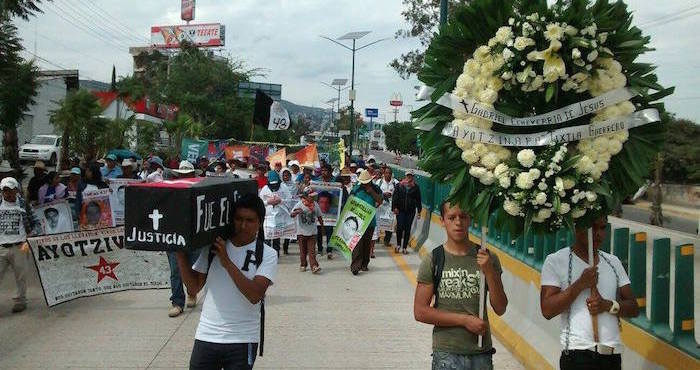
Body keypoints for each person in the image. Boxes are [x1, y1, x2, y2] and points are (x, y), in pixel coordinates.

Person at [176, 194, 277, 370]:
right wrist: (179, 253)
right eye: (238, 219)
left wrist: (227, 262)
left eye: (250, 220)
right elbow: (193, 288)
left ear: (260, 222)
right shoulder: (213, 247)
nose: (243, 225)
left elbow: (254, 295)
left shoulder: (267, 254)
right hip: (207, 335)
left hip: (243, 339)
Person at [414, 201, 508, 370]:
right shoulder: (434, 259)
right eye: (451, 217)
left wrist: (489, 272)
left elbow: (500, 307)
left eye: (463, 217)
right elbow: (420, 312)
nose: (458, 222)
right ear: (442, 221)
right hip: (446, 354)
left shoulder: (488, 257)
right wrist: (464, 320)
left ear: (470, 219)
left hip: (481, 353)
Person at [540, 216, 638, 370]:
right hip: (577, 356)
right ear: (577, 228)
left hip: (612, 356)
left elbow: (633, 307)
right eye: (593, 228)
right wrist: (580, 284)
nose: (599, 234)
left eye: (603, 228)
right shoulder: (556, 261)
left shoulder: (613, 262)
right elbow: (547, 310)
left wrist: (608, 305)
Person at [164, 160, 199, 318]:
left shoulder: (200, 189)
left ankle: (192, 292)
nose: (186, 176)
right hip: (174, 235)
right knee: (175, 271)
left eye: (189, 174)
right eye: (183, 174)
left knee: (193, 267)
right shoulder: (169, 190)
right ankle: (177, 302)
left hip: (194, 234)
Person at [0, 177, 37, 313]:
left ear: (16, 190)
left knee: (21, 276)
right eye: (5, 191)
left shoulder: (23, 204)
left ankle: (20, 301)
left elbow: (36, 222)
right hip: (2, 246)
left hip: (20, 245)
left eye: (11, 190)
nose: (8, 193)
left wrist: (32, 234)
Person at [349, 170, 382, 275]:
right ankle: (355, 266)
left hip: (370, 221)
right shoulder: (356, 189)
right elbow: (350, 203)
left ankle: (364, 264)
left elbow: (380, 201)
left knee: (367, 244)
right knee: (357, 244)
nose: (365, 184)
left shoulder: (376, 188)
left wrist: (371, 192)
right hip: (357, 221)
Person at [290, 187, 323, 274]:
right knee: (303, 251)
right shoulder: (299, 204)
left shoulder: (315, 204)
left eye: (314, 196)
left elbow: (319, 216)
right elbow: (291, 214)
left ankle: (314, 266)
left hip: (312, 232)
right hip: (301, 233)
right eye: (311, 196)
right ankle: (303, 264)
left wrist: (322, 227)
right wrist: (296, 212)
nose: (313, 198)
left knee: (312, 251)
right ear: (305, 196)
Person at [259, 171, 290, 257]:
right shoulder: (265, 189)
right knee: (267, 237)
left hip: (279, 216)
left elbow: (290, 200)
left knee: (277, 236)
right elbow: (260, 202)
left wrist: (280, 201)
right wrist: (268, 202)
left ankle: (276, 255)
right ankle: (267, 255)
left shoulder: (284, 187)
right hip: (267, 217)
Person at [392, 171, 422, 254]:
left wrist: (419, 211)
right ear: (405, 176)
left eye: (411, 176)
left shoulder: (416, 187)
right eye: (408, 176)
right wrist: (394, 207)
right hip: (400, 210)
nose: (409, 178)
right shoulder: (399, 185)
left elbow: (418, 200)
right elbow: (395, 197)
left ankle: (404, 247)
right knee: (400, 227)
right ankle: (398, 245)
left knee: (407, 229)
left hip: (410, 211)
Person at [378, 167, 399, 247]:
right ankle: (377, 237)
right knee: (379, 222)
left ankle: (387, 240)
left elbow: (398, 194)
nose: (388, 174)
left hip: (391, 206)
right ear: (384, 174)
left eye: (389, 173)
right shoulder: (379, 182)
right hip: (381, 206)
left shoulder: (395, 183)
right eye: (386, 173)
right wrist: (383, 195)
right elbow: (376, 193)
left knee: (390, 222)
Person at [279, 168, 297, 255]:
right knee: (279, 228)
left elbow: (295, 197)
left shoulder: (294, 186)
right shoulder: (280, 186)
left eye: (287, 175)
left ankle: (285, 247)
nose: (286, 177)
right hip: (282, 209)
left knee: (288, 229)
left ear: (290, 176)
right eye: (284, 175)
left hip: (291, 209)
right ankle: (277, 247)